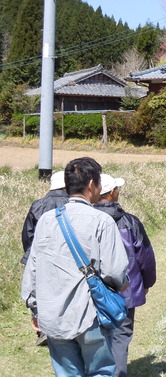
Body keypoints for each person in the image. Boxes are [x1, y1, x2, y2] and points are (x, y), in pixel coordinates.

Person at [21, 157, 129, 377]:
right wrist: (123, 284)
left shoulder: (46, 220)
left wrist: (35, 308)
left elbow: (32, 268)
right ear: (91, 184)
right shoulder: (102, 221)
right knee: (100, 372)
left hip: (52, 314)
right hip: (90, 315)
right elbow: (114, 272)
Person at [95, 174, 157, 377]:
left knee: (93, 338)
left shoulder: (85, 220)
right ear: (111, 193)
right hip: (125, 291)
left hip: (92, 291)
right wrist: (147, 282)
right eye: (117, 189)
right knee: (121, 337)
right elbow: (145, 256)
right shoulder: (130, 221)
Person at [20, 170, 69, 346]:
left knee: (38, 292)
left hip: (39, 256)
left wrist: (31, 254)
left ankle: (41, 328)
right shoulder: (70, 203)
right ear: (66, 185)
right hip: (64, 257)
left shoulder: (37, 204)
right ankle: (62, 326)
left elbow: (27, 234)